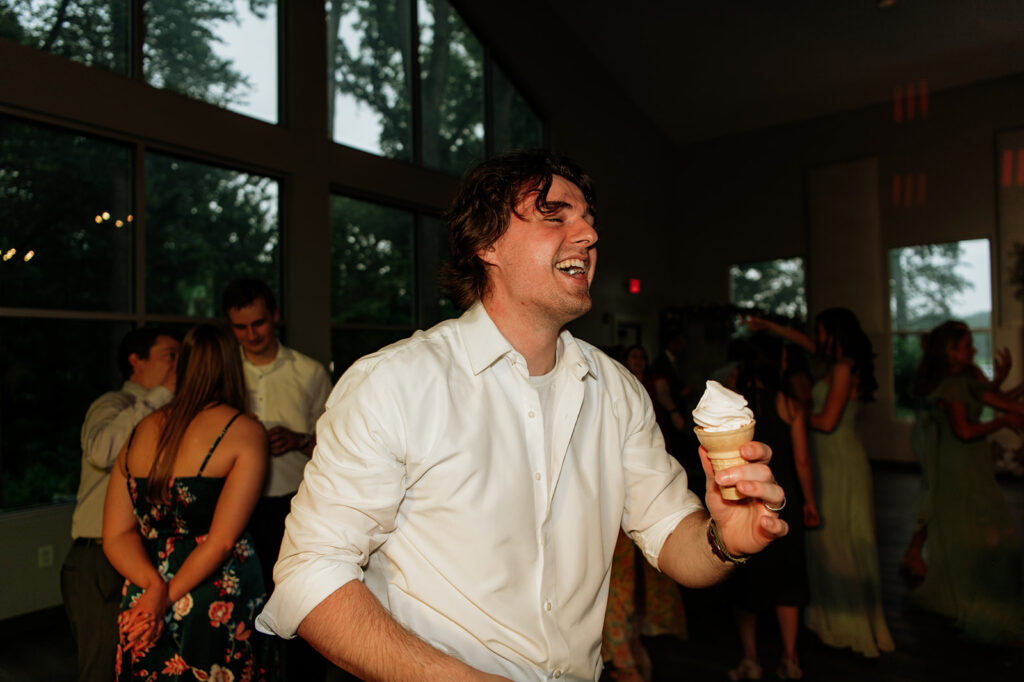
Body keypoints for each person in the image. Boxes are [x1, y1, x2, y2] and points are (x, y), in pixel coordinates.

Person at [256, 149, 789, 681]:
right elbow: (310, 573)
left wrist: (725, 539)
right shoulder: (394, 384)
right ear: (486, 243)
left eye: (589, 219)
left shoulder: (619, 392)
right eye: (556, 215)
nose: (588, 234)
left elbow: (672, 535)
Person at [102, 323, 269, 681]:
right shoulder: (245, 431)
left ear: (182, 365)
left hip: (144, 590)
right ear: (233, 366)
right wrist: (164, 597)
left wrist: (154, 589)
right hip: (215, 592)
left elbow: (115, 535)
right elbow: (223, 541)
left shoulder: (140, 429)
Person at [747, 309, 894, 658]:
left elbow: (828, 422)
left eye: (822, 332)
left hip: (840, 460)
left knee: (844, 542)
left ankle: (851, 622)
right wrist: (773, 327)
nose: (818, 339)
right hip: (828, 457)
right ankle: (825, 618)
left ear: (835, 333)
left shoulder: (843, 368)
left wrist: (790, 416)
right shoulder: (838, 361)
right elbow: (806, 344)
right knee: (827, 544)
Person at [222, 278, 332, 681]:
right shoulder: (225, 372)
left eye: (259, 323)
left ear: (276, 318)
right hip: (236, 508)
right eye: (240, 327)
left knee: (301, 604)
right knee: (242, 608)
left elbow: (336, 443)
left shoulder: (309, 371)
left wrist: (300, 438)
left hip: (294, 503)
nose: (251, 335)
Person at [61, 327, 180, 682]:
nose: (178, 364)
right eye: (170, 355)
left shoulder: (173, 413)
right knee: (103, 665)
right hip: (99, 559)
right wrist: (162, 395)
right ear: (136, 361)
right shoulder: (114, 405)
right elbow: (101, 450)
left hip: (147, 556)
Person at [904, 320, 1024, 643]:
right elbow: (965, 430)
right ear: (951, 351)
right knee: (971, 525)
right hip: (957, 464)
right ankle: (970, 594)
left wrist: (1012, 394)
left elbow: (998, 400)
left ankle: (974, 590)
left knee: (977, 522)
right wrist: (1004, 419)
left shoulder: (966, 377)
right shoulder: (951, 384)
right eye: (967, 345)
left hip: (971, 461)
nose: (973, 350)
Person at [725, 333, 818, 681]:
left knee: (747, 581)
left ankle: (750, 659)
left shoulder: (736, 403)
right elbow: (802, 459)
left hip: (746, 499)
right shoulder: (787, 401)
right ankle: (790, 659)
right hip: (783, 498)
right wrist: (809, 502)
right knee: (789, 578)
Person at [601, 346, 689, 681]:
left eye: (642, 355)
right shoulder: (609, 389)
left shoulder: (652, 387)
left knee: (641, 583)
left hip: (650, 491)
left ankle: (632, 649)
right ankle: (624, 657)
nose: (639, 360)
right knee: (619, 584)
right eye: (633, 356)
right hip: (617, 503)